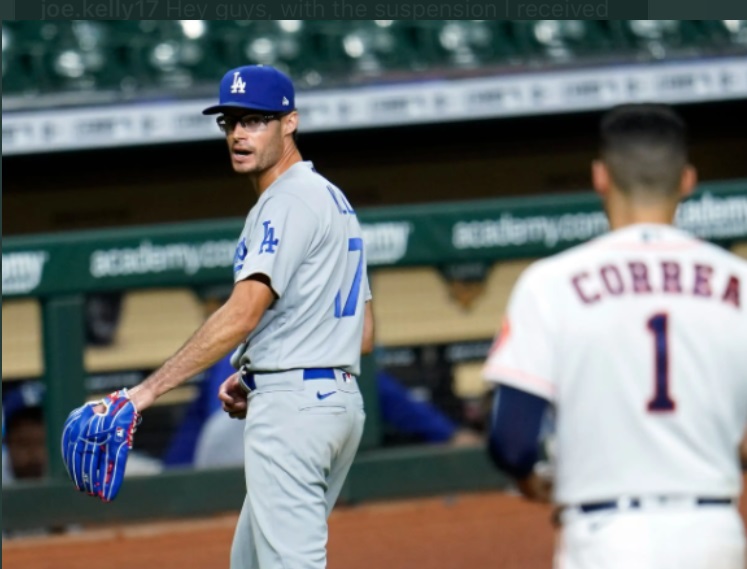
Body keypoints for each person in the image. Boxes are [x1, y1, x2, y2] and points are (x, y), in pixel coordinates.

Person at [117, 64, 374, 569]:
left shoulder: (286, 200)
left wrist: (145, 392)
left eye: (256, 120)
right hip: (334, 402)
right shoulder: (331, 197)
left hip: (294, 414)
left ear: (290, 122)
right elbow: (363, 332)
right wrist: (259, 371)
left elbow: (241, 314)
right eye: (230, 122)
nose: (238, 133)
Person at [482, 104, 747, 569]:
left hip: (606, 535)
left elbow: (513, 442)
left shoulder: (551, 282)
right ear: (687, 180)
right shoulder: (738, 280)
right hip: (713, 531)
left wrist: (532, 482)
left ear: (600, 176)